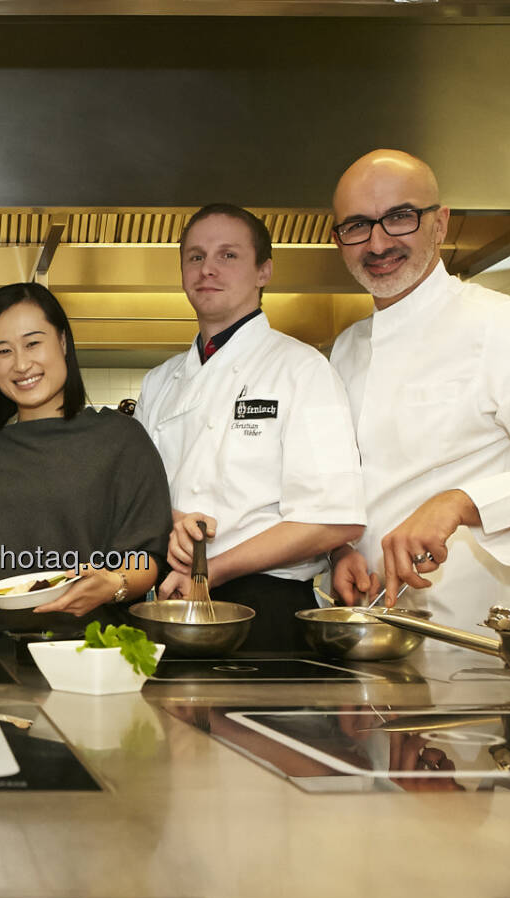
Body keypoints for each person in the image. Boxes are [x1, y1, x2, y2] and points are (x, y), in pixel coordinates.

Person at [327, 149, 510, 630]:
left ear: (440, 223)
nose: (376, 243)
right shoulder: (347, 348)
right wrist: (340, 551)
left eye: (400, 217)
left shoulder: (499, 325)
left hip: (473, 640)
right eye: (357, 225)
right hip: (368, 640)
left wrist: (463, 502)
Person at [135, 204, 365, 652]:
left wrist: (211, 571)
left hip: (264, 609)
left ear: (264, 271)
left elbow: (332, 519)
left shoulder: (301, 369)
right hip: (169, 600)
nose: (208, 269)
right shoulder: (160, 381)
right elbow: (138, 498)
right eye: (196, 257)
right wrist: (173, 521)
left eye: (229, 256)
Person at [0, 283, 170, 648]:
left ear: (63, 342)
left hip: (96, 655)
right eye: (3, 351)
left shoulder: (121, 439)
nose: (21, 364)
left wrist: (114, 585)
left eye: (33, 343)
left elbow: (146, 555)